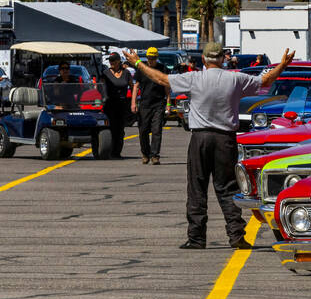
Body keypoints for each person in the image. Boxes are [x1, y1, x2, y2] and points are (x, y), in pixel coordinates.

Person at [125, 41, 295, 250]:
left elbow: (161, 79)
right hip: (226, 139)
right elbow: (265, 80)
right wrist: (282, 65)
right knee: (228, 188)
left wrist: (138, 64)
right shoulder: (235, 79)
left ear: (204, 60)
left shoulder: (194, 78)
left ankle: (196, 237)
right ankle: (236, 235)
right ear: (223, 59)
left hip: (200, 138)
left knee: (197, 187)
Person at [133, 47, 168, 164]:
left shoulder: (162, 69)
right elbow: (136, 86)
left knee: (157, 130)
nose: (151, 60)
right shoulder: (142, 69)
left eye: (153, 58)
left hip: (158, 104)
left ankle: (155, 155)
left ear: (156, 58)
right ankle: (145, 153)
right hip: (144, 104)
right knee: (143, 130)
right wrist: (133, 103)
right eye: (149, 58)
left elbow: (167, 86)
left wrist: (168, 102)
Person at [99, 52, 133, 158]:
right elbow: (99, 88)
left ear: (119, 61)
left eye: (113, 60)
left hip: (122, 104)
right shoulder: (105, 73)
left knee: (120, 129)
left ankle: (117, 152)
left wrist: (134, 101)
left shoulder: (126, 73)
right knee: (110, 128)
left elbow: (133, 87)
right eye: (110, 60)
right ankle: (109, 150)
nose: (111, 62)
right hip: (109, 104)